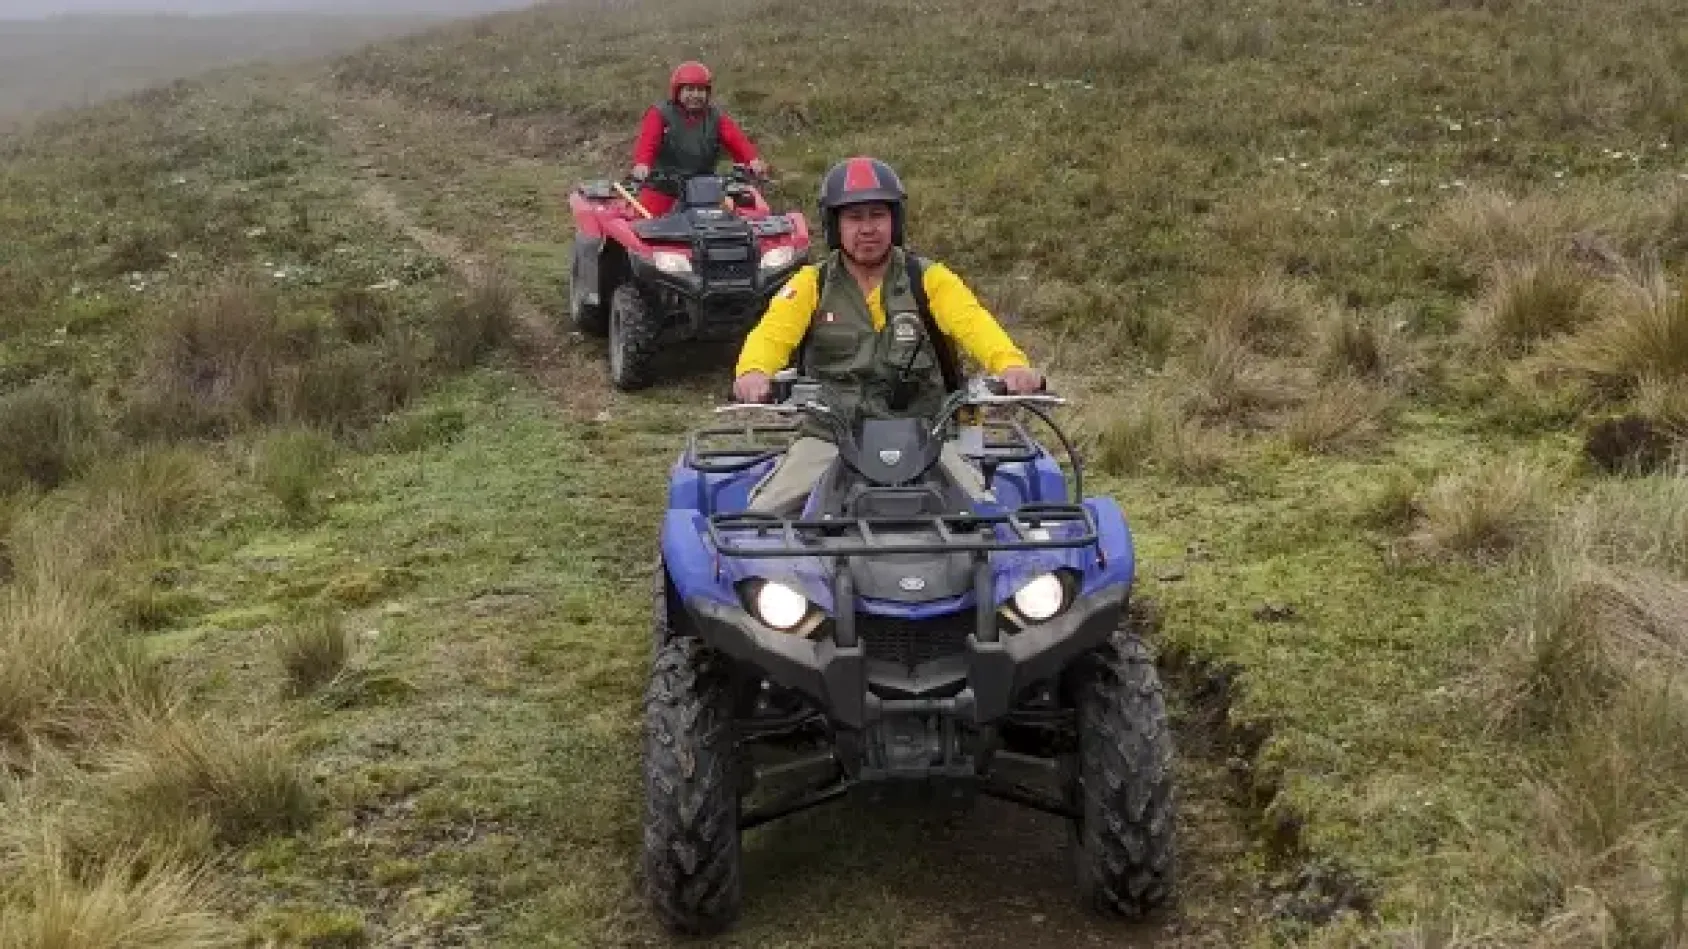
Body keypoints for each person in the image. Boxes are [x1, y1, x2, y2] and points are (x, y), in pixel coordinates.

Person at [730, 156, 1046, 515]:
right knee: (762, 519)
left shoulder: (929, 279)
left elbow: (974, 323)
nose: (867, 228)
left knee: (985, 518)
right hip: (832, 436)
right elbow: (772, 333)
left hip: (924, 435)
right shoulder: (810, 285)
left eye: (877, 215)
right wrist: (753, 372)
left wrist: (1011, 366)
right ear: (834, 225)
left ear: (895, 220)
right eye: (855, 217)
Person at [630, 61, 768, 217]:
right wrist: (642, 164)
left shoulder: (716, 117)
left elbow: (737, 141)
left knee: (728, 221)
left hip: (703, 190)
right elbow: (648, 142)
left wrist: (752, 161)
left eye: (700, 90)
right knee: (646, 225)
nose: (695, 95)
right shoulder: (659, 113)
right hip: (662, 188)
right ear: (678, 91)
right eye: (689, 89)